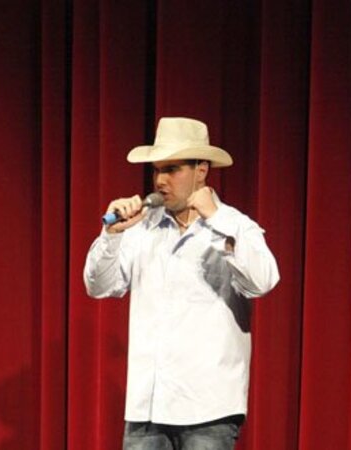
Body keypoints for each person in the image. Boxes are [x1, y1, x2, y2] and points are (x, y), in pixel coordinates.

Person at [83, 117, 279, 450]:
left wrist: (216, 219)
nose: (160, 180)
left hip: (208, 409)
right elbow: (98, 286)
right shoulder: (141, 227)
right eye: (157, 170)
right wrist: (111, 235)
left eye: (172, 169)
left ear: (201, 170)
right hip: (147, 408)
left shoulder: (235, 224)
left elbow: (263, 281)